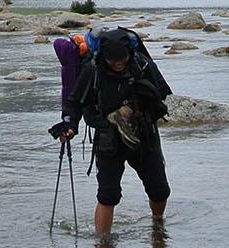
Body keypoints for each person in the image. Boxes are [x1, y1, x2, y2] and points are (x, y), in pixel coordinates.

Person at [53, 27, 171, 234]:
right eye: (112, 60)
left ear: (130, 54)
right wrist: (70, 126)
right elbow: (75, 102)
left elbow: (162, 97)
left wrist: (137, 111)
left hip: (143, 135)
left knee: (159, 189)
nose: (118, 63)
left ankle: (158, 225)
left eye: (122, 59)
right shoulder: (93, 69)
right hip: (108, 138)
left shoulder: (142, 65)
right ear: (103, 56)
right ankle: (103, 246)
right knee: (108, 194)